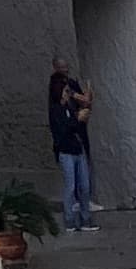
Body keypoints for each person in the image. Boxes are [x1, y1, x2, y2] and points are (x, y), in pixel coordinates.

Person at [49, 62, 95, 229]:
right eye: (66, 91)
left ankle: (85, 219)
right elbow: (63, 129)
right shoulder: (56, 110)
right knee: (70, 186)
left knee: (85, 186)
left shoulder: (70, 107)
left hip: (78, 149)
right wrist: (77, 118)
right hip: (66, 151)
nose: (68, 93)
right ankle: (69, 221)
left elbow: (85, 104)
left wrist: (85, 104)